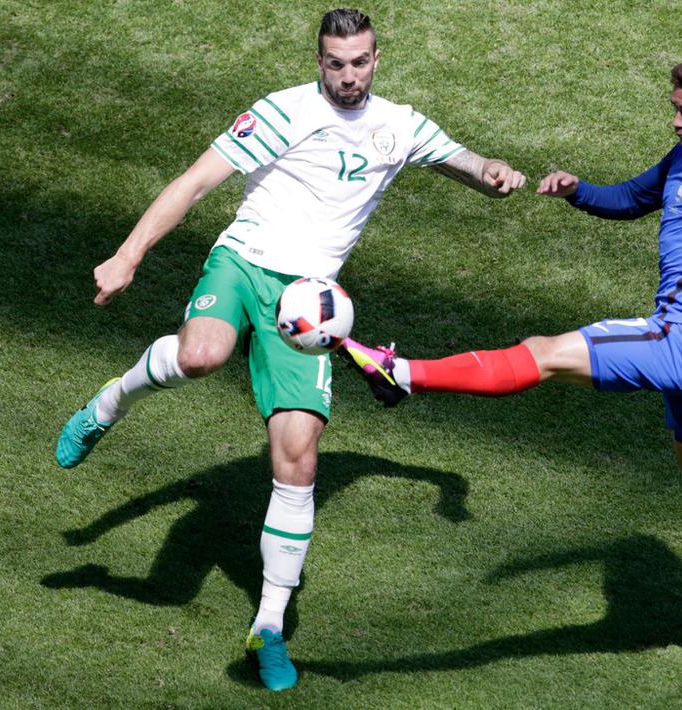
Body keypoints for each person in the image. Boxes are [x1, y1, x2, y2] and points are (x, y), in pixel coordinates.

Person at [54, 8, 526, 692]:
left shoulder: (401, 124)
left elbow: (462, 162)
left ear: (375, 58)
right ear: (318, 60)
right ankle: (108, 403)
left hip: (309, 304)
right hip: (244, 265)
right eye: (335, 63)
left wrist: (494, 172)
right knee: (200, 356)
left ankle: (268, 627)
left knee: (299, 460)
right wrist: (127, 256)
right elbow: (192, 183)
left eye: (359, 61)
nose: (347, 75)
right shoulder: (281, 112)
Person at [343, 52, 682, 619]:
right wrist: (578, 191)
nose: (676, 121)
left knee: (543, 354)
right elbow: (633, 198)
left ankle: (401, 374)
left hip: (681, 340)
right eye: (674, 109)